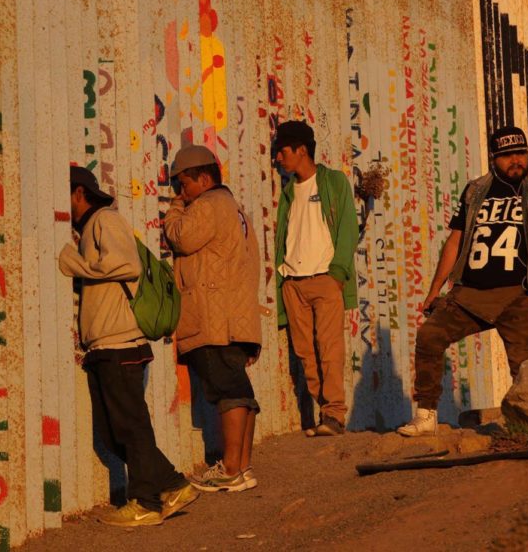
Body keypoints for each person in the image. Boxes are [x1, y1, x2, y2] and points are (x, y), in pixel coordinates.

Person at [396, 125, 528, 437]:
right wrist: (434, 290)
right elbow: (455, 241)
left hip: (520, 292)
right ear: (493, 158)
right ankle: (425, 414)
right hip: (471, 291)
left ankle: (526, 427)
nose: (515, 160)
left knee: (525, 367)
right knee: (429, 336)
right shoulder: (476, 190)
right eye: (506, 156)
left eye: (520, 153)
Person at [59, 166, 197, 526]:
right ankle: (171, 484)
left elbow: (126, 264)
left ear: (78, 193)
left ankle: (147, 503)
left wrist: (74, 263)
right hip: (106, 345)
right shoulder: (91, 228)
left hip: (120, 343)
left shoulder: (104, 219)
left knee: (129, 427)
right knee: (115, 430)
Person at [164, 145, 262, 492]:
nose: (180, 193)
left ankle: (230, 468)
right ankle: (243, 467)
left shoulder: (207, 204)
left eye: (183, 185)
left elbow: (182, 238)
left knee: (227, 390)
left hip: (214, 317)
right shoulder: (236, 210)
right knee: (238, 388)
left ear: (204, 179)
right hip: (236, 316)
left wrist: (175, 210)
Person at [273, 120, 358, 437]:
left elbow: (348, 229)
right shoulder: (287, 193)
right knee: (306, 354)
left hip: (325, 279)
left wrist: (337, 274)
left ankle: (334, 414)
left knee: (330, 349)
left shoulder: (334, 182)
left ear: (301, 149)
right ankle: (325, 416)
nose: (278, 158)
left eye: (282, 151)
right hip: (293, 283)